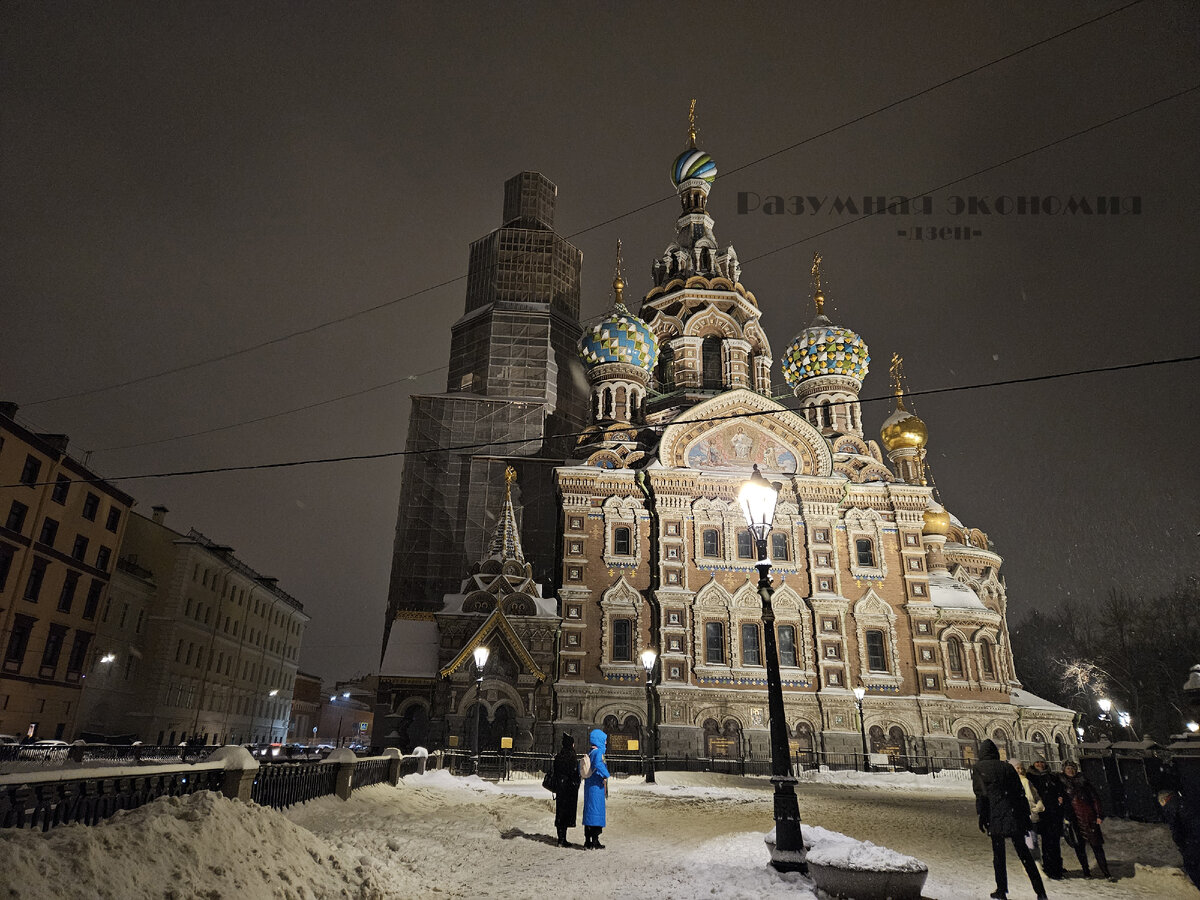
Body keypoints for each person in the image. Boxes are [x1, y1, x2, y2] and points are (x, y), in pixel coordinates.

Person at [972, 739, 1047, 900]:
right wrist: (1025, 815)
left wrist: (982, 816)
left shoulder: (979, 768)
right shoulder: (1007, 767)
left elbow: (981, 795)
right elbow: (1019, 792)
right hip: (1014, 815)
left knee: (999, 856)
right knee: (1025, 854)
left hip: (996, 816)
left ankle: (1001, 889)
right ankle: (1040, 892)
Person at [1060, 761, 1111, 879]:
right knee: (1079, 846)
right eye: (1068, 768)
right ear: (1064, 770)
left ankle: (1106, 872)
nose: (1070, 771)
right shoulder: (1061, 785)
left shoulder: (1084, 783)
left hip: (1088, 818)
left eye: (1072, 768)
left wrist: (1098, 815)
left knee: (1096, 845)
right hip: (1073, 820)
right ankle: (1086, 871)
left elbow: (1095, 799)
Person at [1029, 758, 1068, 880]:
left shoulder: (1052, 777)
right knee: (1045, 842)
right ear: (1033, 764)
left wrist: (1060, 796)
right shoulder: (1031, 778)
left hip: (1054, 813)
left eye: (1041, 762)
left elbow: (1060, 790)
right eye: (1037, 762)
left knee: (1054, 841)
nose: (1040, 764)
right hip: (1041, 814)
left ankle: (1057, 866)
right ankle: (1048, 868)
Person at [1158, 788, 1200, 889]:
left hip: (1193, 838)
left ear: (1163, 800)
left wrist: (1182, 845)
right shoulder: (1184, 800)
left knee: (1192, 865)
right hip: (1196, 833)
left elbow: (1176, 829)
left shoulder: (1170, 806)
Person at [550, 733, 582, 847]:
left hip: (560, 787)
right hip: (569, 789)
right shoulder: (571, 756)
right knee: (567, 813)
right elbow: (573, 772)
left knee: (560, 812)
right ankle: (563, 840)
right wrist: (577, 782)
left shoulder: (559, 756)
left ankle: (560, 838)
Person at [581, 728, 610, 850]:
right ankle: (595, 841)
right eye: (604, 740)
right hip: (596, 787)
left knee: (589, 812)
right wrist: (606, 774)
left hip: (589, 786)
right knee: (596, 813)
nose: (606, 743)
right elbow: (598, 764)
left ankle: (588, 840)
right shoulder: (598, 753)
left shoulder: (591, 752)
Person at [1012, 761, 1045, 857]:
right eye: (1017, 768)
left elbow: (1035, 796)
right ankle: (1033, 866)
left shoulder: (1027, 781)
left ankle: (1036, 865)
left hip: (1032, 815)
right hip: (1023, 816)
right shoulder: (1013, 783)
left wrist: (1039, 804)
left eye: (1021, 768)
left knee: (1033, 842)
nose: (1020, 770)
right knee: (1029, 843)